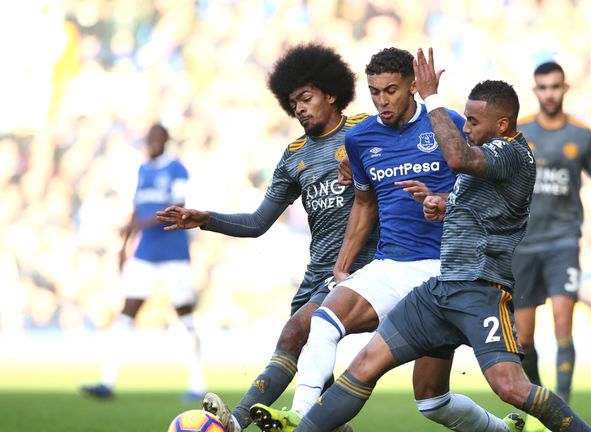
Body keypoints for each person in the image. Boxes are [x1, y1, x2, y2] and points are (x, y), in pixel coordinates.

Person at [292, 47, 591, 432]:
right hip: (438, 290)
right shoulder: (484, 154)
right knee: (365, 367)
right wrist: (440, 202)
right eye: (465, 121)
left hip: (480, 290)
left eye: (472, 121)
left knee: (510, 387)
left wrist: (432, 97)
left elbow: (456, 158)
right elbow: (478, 203)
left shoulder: (512, 153)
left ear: (502, 124)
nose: (466, 129)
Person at [155, 43, 378, 432]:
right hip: (317, 274)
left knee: (294, 333)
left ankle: (235, 422)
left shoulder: (366, 130)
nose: (300, 109)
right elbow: (259, 221)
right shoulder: (294, 156)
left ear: (331, 93)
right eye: (293, 103)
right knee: (318, 386)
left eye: (306, 98)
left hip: (362, 266)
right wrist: (205, 218)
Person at [249, 47, 468, 431]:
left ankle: (503, 427)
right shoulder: (363, 138)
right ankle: (299, 416)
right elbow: (364, 204)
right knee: (323, 320)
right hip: (390, 265)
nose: (382, 100)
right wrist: (343, 263)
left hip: (442, 270)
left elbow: (478, 189)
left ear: (413, 87)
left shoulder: (444, 122)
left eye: (391, 90)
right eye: (374, 92)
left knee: (433, 401)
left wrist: (445, 203)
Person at [511, 61, 591, 419]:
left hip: (562, 242)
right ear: (535, 90)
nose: (549, 93)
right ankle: (544, 405)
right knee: (523, 338)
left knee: (561, 322)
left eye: (555, 87)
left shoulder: (582, 135)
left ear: (564, 88)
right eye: (543, 87)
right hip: (522, 245)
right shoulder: (518, 133)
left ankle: (564, 405)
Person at [81, 123, 206, 402]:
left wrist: (139, 224)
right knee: (126, 312)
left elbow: (178, 209)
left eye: (156, 138)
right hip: (145, 254)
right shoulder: (143, 169)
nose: (151, 142)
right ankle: (106, 382)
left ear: (165, 140)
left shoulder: (177, 169)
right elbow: (136, 208)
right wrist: (124, 245)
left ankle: (197, 383)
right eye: (148, 138)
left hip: (174, 253)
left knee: (184, 316)